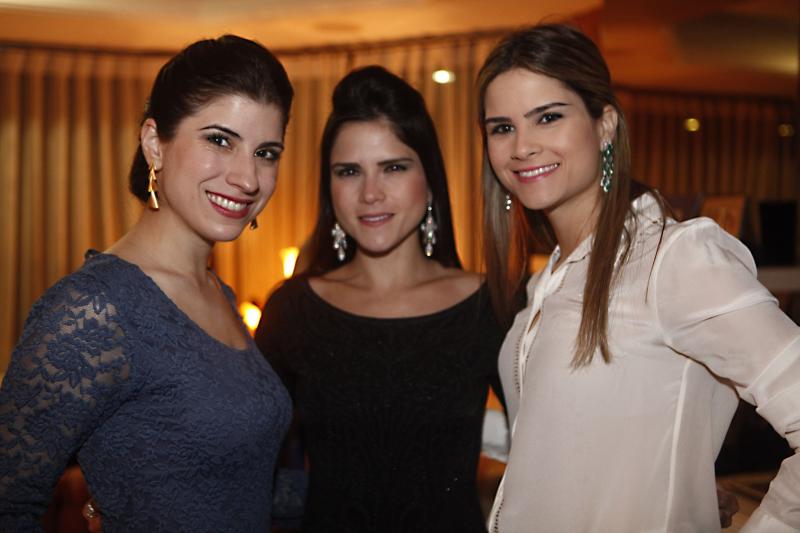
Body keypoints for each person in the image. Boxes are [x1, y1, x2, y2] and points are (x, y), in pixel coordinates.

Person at [477, 24, 800, 532]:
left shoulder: (672, 259)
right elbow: (557, 437)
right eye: (502, 127)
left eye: (548, 117)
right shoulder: (551, 280)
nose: (522, 146)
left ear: (605, 125)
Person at [0, 35, 294, 532]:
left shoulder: (217, 294)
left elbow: (233, 482)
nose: (248, 178)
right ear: (155, 143)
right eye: (220, 140)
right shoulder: (95, 308)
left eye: (266, 152)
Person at [255, 65, 506, 533]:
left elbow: (550, 453)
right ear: (329, 188)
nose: (370, 193)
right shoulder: (293, 311)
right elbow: (247, 461)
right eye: (349, 172)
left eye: (394, 167)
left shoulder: (489, 306)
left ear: (429, 179)